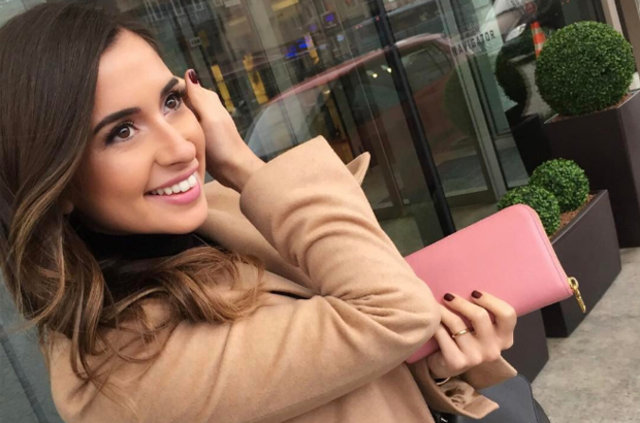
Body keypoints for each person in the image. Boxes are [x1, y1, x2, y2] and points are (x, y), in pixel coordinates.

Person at [0, 3, 518, 422]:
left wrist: (441, 360)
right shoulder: (118, 371)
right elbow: (394, 311)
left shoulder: (223, 217)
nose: (180, 147)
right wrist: (244, 165)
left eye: (172, 102)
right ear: (54, 183)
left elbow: (330, 384)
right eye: (122, 131)